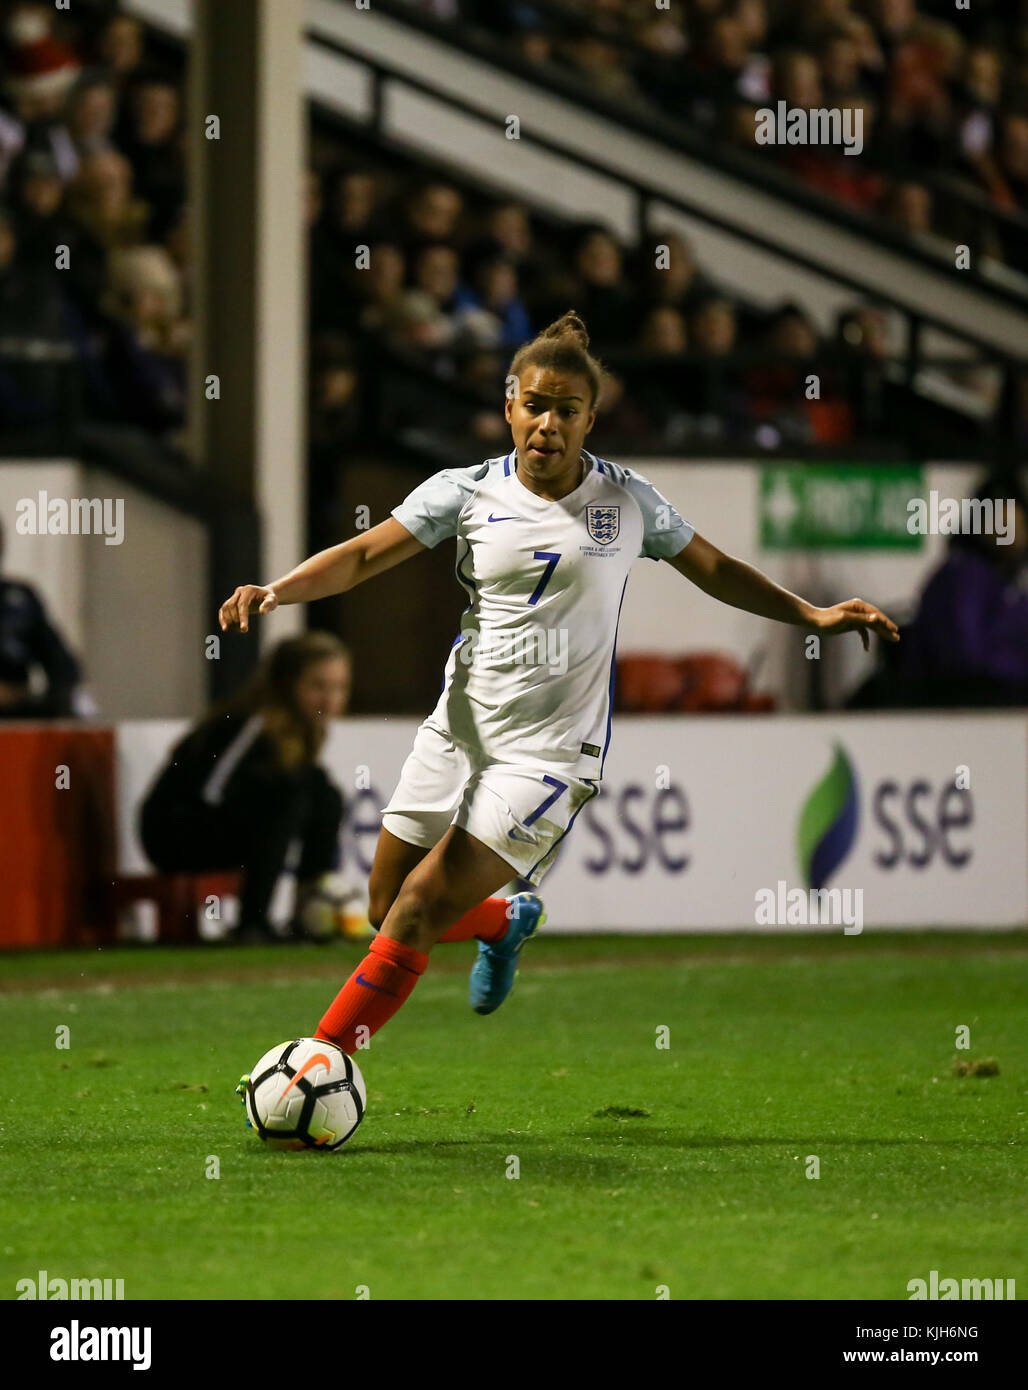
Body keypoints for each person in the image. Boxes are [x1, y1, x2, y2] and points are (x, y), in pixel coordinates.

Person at [220, 312, 898, 1059]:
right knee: (387, 907)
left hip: (548, 758)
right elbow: (361, 556)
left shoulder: (627, 501)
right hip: (459, 729)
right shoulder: (465, 491)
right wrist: (276, 591)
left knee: (416, 907)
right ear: (510, 406)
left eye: (566, 410)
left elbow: (715, 568)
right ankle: (505, 924)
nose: (547, 423)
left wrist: (809, 614)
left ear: (589, 419)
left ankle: (320, 1061)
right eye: (534, 405)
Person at [139, 632, 353, 942]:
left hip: (221, 826)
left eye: (339, 688)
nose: (329, 700)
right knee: (287, 795)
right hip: (174, 832)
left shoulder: (304, 729)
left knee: (322, 792)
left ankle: (309, 912)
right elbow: (207, 794)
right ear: (286, 684)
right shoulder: (249, 723)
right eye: (318, 686)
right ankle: (252, 922)